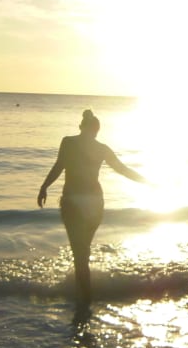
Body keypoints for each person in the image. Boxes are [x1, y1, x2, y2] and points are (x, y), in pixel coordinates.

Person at [38, 109, 145, 306]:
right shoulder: (102, 148)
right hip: (95, 203)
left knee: (80, 253)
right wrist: (147, 182)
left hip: (73, 201)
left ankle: (84, 301)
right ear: (96, 130)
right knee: (83, 251)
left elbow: (59, 166)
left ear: (82, 127)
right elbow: (122, 169)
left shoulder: (68, 142)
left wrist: (45, 186)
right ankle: (85, 297)